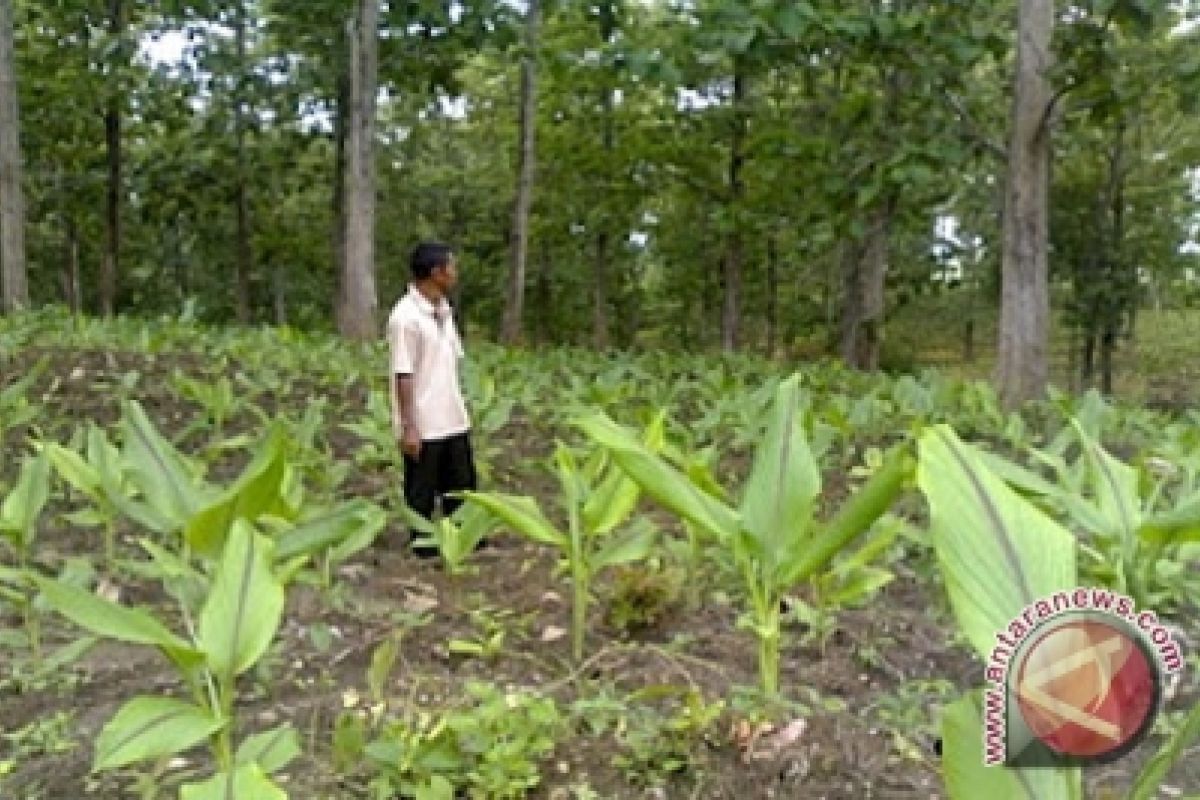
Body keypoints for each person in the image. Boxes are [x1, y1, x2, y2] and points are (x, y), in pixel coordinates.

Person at [387, 242, 478, 557]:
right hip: (424, 420)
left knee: (462, 484)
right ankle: (424, 548)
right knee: (422, 489)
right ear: (435, 272)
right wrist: (409, 426)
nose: (454, 273)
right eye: (450, 267)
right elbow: (403, 373)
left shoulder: (443, 310)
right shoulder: (405, 318)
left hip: (451, 413)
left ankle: (463, 540)